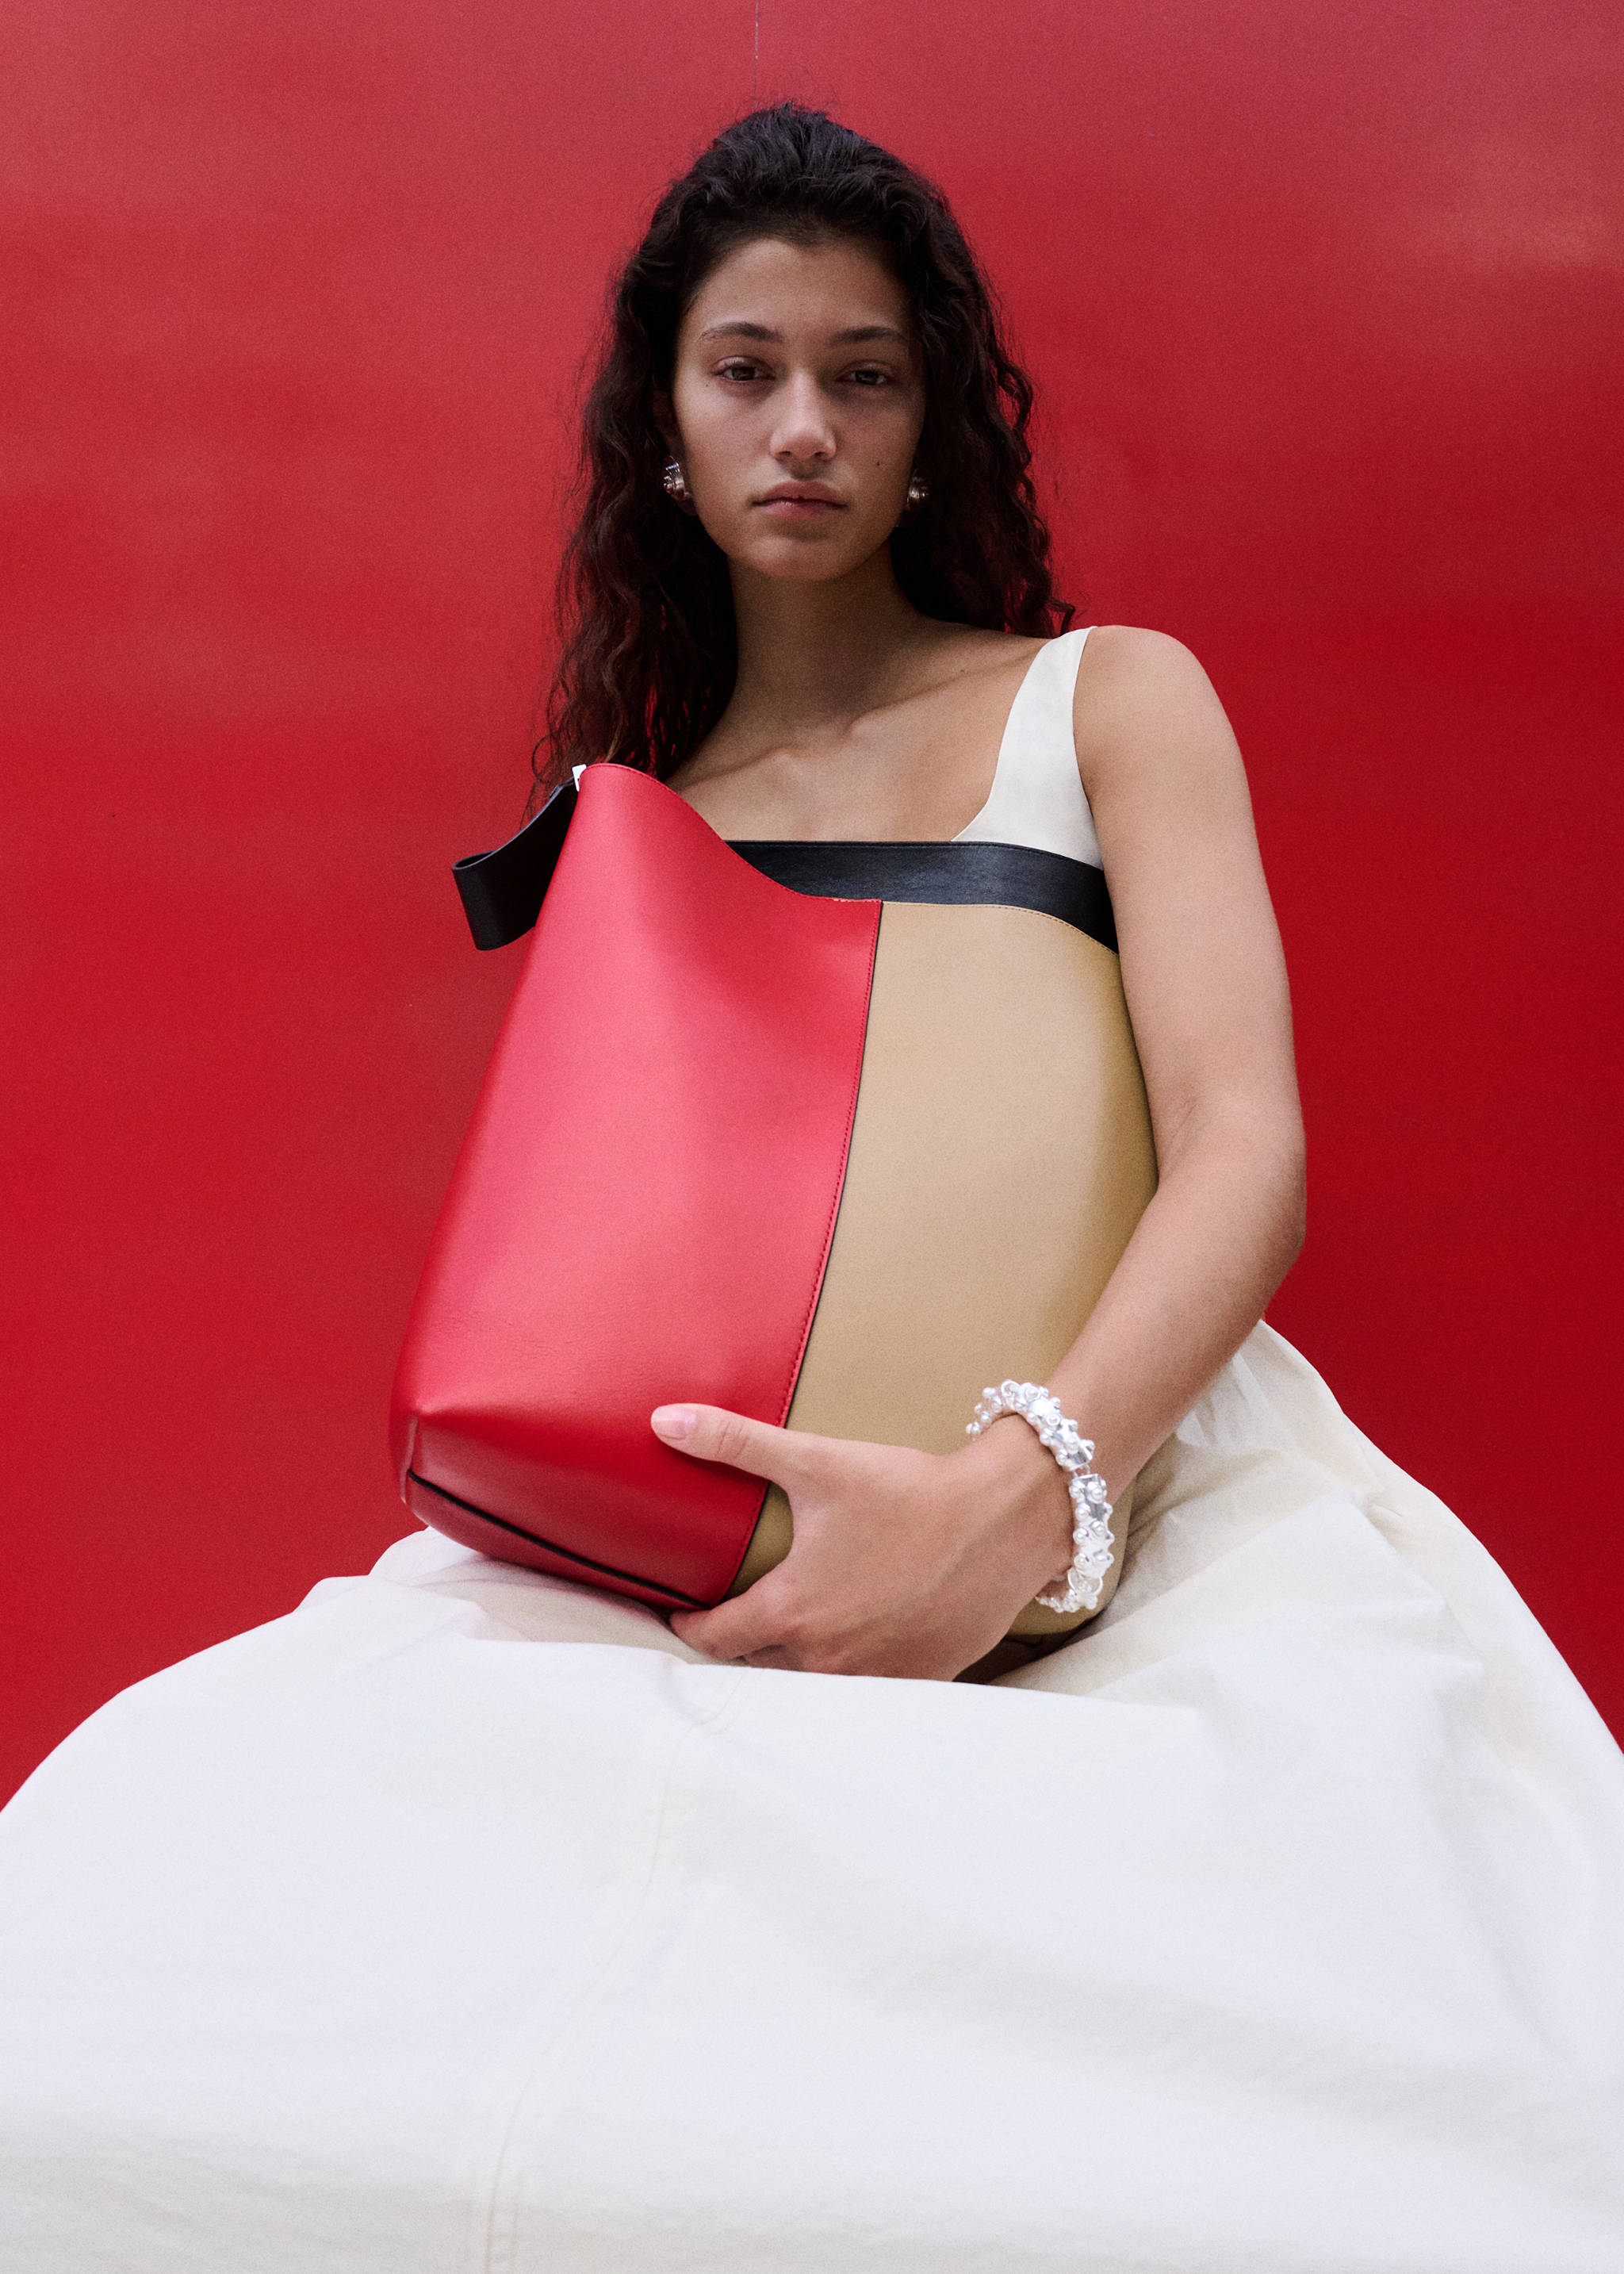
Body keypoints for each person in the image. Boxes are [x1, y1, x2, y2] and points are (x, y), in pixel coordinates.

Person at [2, 102, 1621, 2274]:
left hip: (1129, 1496)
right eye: (744, 366)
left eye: (865, 373)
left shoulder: (1108, 700)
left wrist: (1011, 1492)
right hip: (692, 1549)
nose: (805, 424)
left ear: (937, 425)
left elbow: (1249, 1156)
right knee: (166, 1923)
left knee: (1356, 2100)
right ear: (660, 426)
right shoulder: (637, 825)